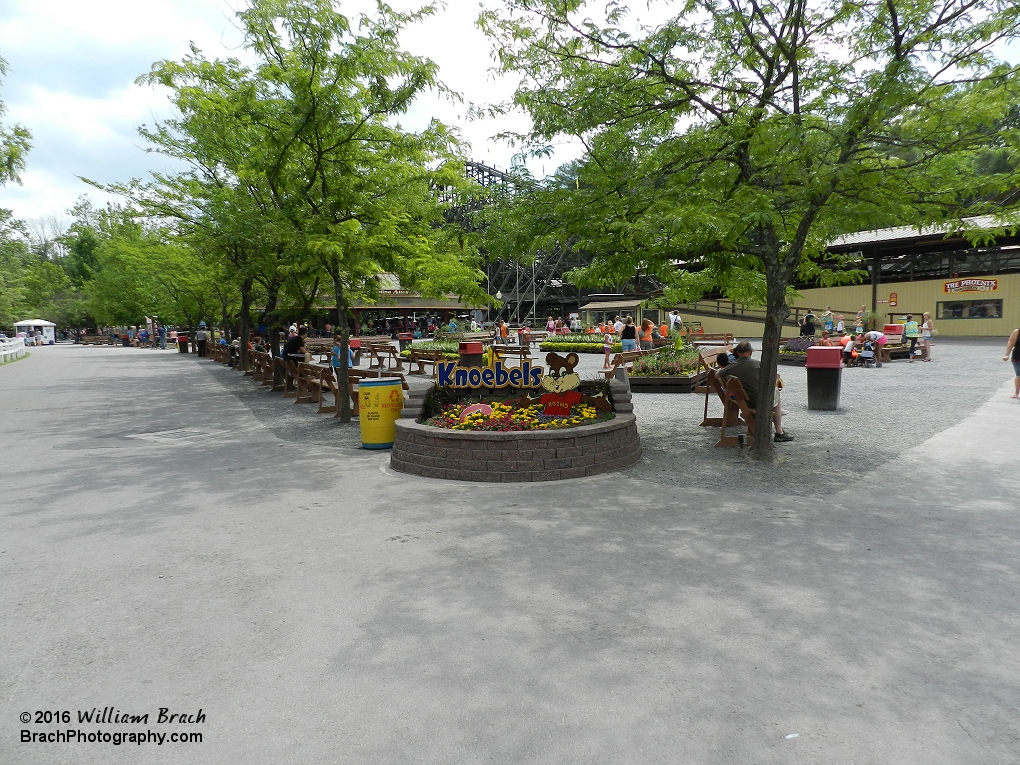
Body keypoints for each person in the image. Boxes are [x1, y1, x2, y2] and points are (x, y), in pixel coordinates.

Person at [718, 341, 793, 442]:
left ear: (737, 353)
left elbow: (717, 375)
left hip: (743, 400)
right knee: (776, 394)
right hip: (757, 401)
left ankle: (778, 424)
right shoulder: (758, 364)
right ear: (750, 352)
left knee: (773, 394)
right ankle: (779, 432)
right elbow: (775, 376)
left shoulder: (731, 367)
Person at [1003, 327, 1020, 398]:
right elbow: (1010, 343)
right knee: (1019, 375)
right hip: (1018, 357)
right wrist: (1006, 354)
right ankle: (1016, 392)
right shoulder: (1017, 331)